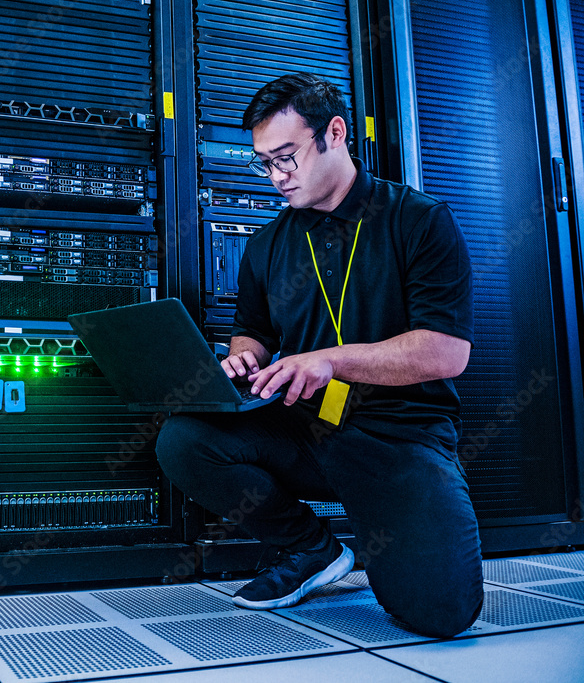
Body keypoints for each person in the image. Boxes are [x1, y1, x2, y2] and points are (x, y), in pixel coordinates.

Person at [156, 73, 483, 638]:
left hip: (400, 436)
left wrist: (331, 360)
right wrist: (243, 358)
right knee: (184, 439)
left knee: (441, 613)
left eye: (286, 157)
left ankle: (396, 522)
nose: (276, 176)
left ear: (335, 133)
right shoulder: (266, 245)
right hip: (306, 427)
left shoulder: (419, 220)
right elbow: (251, 331)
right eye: (264, 163)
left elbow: (445, 353)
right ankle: (311, 549)